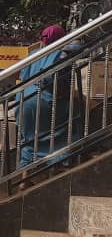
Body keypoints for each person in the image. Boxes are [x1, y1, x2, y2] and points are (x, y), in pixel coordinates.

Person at [16, 25, 83, 168]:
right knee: (66, 130)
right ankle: (59, 166)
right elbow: (56, 83)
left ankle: (24, 176)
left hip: (22, 102)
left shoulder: (33, 54)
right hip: (44, 102)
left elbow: (22, 77)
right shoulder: (60, 55)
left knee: (29, 140)